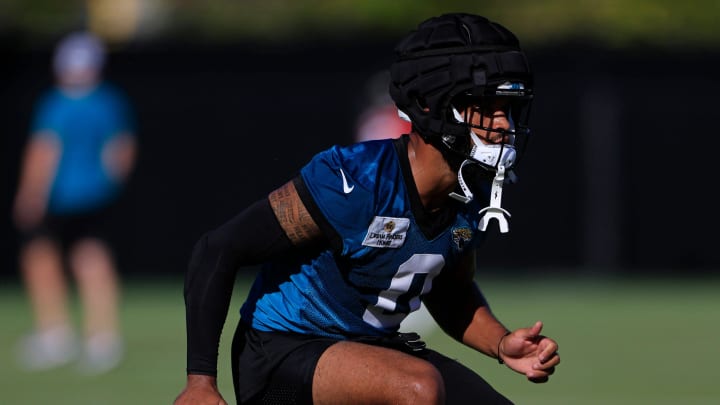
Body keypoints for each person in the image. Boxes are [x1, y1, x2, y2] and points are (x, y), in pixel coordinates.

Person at [175, 13, 560, 405]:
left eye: (508, 108)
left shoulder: (472, 192)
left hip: (376, 349)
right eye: (486, 106)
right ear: (431, 105)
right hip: (282, 355)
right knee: (418, 388)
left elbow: (451, 292)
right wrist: (200, 382)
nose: (503, 125)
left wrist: (499, 342)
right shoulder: (357, 180)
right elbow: (217, 249)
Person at [12, 31, 136, 374]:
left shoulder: (57, 103)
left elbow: (44, 151)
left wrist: (30, 192)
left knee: (39, 256)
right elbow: (121, 151)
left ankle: (55, 333)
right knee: (91, 257)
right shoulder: (109, 101)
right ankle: (103, 339)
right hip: (95, 194)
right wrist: (108, 184)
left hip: (58, 195)